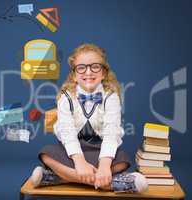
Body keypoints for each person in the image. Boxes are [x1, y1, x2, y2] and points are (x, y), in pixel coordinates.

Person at [31, 43, 148, 192]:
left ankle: (57, 177)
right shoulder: (65, 97)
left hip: (100, 152)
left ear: (103, 72)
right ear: (74, 75)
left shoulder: (110, 97)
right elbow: (66, 131)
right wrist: (79, 162)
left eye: (95, 66)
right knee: (46, 153)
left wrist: (105, 165)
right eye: (81, 67)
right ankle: (119, 183)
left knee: (123, 160)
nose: (88, 72)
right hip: (73, 153)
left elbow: (112, 132)